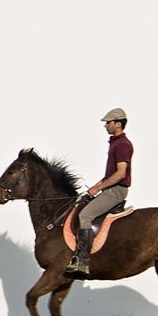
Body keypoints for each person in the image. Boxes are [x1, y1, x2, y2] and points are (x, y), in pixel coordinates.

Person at [68, 108, 133, 275]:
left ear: (118, 124)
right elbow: (109, 176)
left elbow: (120, 174)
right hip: (110, 188)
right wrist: (94, 188)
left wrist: (98, 188)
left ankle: (83, 262)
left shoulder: (123, 145)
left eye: (108, 122)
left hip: (116, 191)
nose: (105, 126)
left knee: (85, 216)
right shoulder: (115, 143)